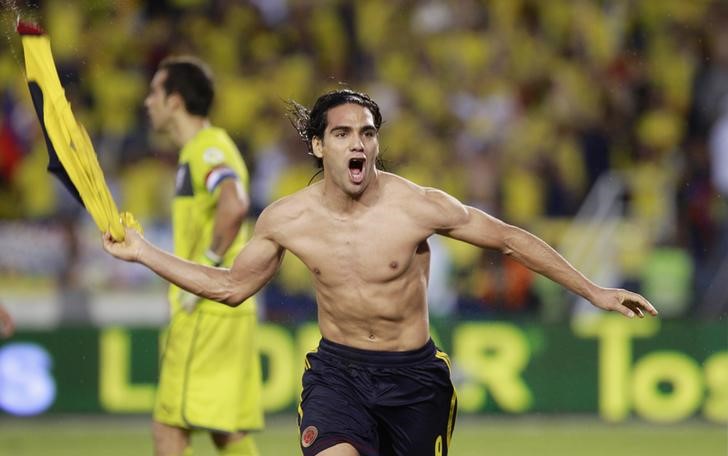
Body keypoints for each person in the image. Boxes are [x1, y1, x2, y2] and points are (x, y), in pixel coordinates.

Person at [104, 88, 658, 456]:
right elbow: (229, 288)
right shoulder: (286, 219)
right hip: (337, 375)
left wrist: (593, 291)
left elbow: (509, 239)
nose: (359, 144)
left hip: (415, 380)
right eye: (344, 134)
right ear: (319, 145)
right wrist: (144, 252)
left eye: (368, 133)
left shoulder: (417, 205)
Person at [141, 56, 263, 456]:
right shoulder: (210, 148)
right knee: (224, 430)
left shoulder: (205, 150)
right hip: (228, 308)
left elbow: (234, 204)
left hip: (206, 308)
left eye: (155, 92)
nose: (147, 102)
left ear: (175, 101)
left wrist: (205, 273)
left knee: (169, 427)